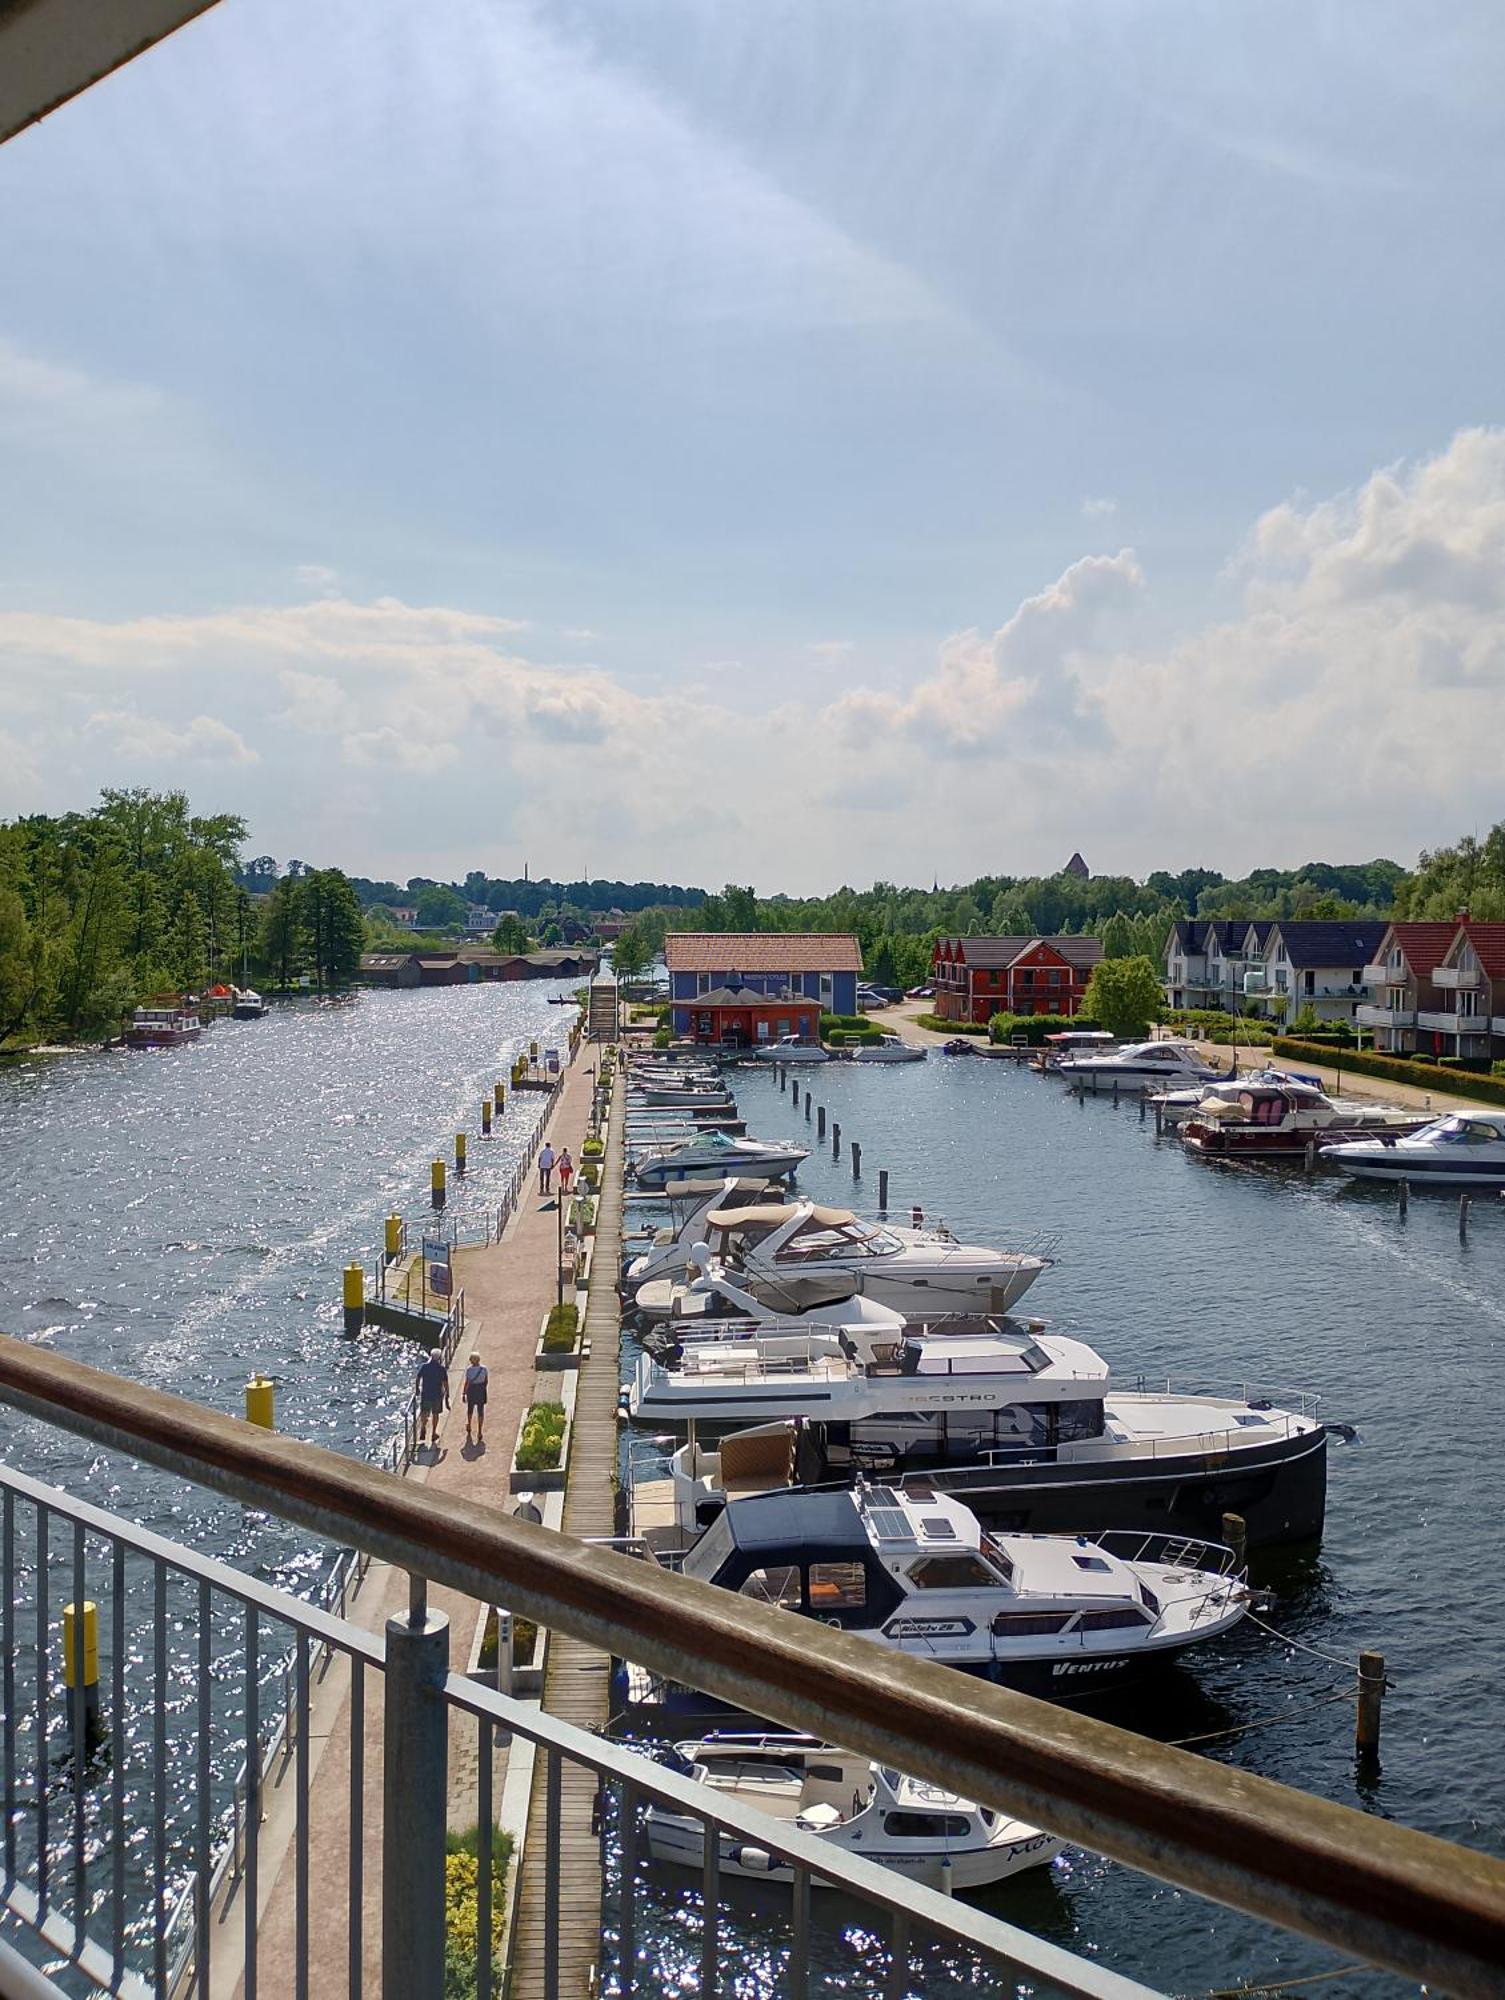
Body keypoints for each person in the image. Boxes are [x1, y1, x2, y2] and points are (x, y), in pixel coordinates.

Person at [415, 1346, 449, 1449]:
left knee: (424, 1412)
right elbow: (445, 1383)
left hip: (426, 1393)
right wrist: (448, 1394)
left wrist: (417, 1388)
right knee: (435, 1414)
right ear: (439, 1358)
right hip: (437, 1395)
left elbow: (418, 1377)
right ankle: (434, 1433)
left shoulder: (424, 1366)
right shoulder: (441, 1369)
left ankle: (423, 1427)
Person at [463, 1350, 489, 1444]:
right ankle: (479, 1431)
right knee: (480, 1411)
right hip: (481, 1390)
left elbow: (467, 1383)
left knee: (470, 1408)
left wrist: (464, 1393)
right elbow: (486, 1381)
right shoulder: (484, 1369)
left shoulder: (469, 1370)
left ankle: (469, 1425)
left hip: (472, 1390)